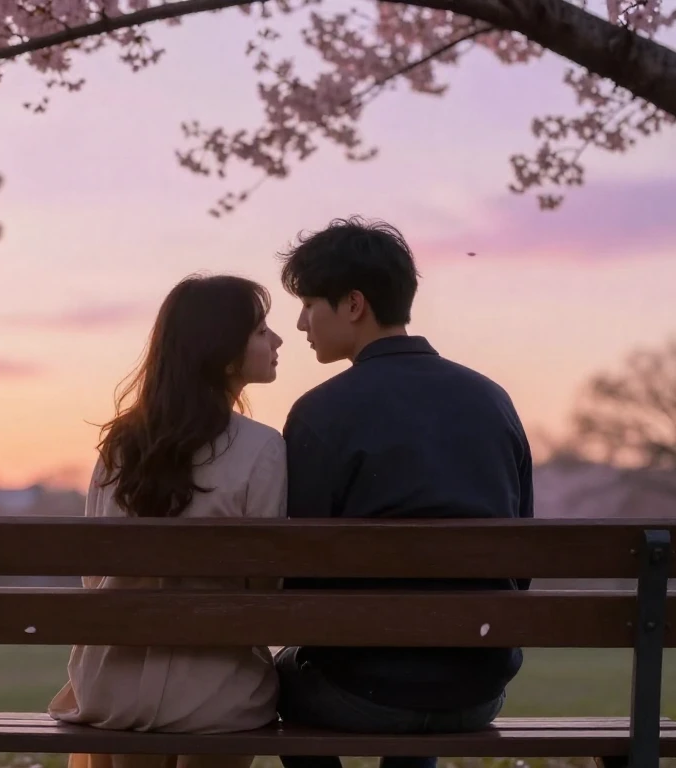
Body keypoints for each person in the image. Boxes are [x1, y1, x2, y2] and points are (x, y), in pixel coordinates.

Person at [273, 218, 534, 768]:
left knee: (277, 680)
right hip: (475, 695)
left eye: (309, 304)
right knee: (416, 673)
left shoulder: (321, 413)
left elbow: (294, 573)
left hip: (359, 692)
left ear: (353, 304)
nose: (300, 323)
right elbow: (521, 559)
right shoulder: (491, 401)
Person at [48, 273, 287, 768]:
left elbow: (95, 572)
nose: (278, 339)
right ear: (224, 353)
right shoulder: (263, 448)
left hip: (110, 689)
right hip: (220, 695)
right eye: (262, 330)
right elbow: (267, 585)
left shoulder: (120, 445)